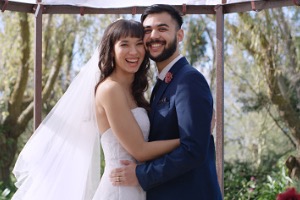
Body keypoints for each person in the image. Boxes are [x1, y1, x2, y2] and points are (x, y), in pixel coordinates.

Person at [11, 19, 179, 200]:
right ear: (111, 50)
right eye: (124, 44)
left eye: (139, 44)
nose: (134, 51)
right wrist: (186, 140)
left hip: (137, 186)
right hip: (120, 190)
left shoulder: (133, 91)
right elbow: (139, 150)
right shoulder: (110, 89)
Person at [110, 4, 223, 200]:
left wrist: (140, 174)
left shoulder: (188, 80)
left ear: (180, 35)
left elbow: (193, 150)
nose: (154, 36)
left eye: (162, 29)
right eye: (147, 30)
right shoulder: (163, 82)